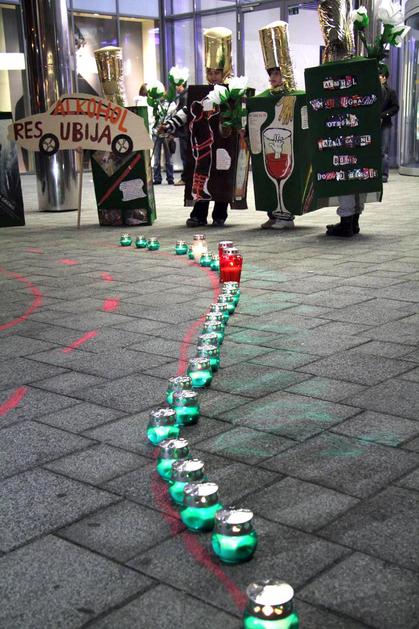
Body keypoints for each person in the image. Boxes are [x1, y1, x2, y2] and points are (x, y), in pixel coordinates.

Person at [162, 27, 233, 227]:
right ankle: (199, 214)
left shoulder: (232, 93)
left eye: (217, 73)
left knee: (221, 175)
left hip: (224, 144)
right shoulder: (200, 93)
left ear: (225, 72)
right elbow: (186, 112)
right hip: (202, 145)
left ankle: (220, 214)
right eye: (209, 72)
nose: (212, 76)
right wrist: (169, 125)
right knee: (201, 175)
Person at [379, 64, 399, 183]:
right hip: (373, 123)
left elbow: (395, 107)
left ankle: (384, 174)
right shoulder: (372, 91)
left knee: (384, 150)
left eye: (381, 76)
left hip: (385, 124)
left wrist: (384, 115)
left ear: (385, 78)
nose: (379, 78)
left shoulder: (391, 92)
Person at [173, 82, 188, 186]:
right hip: (184, 131)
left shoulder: (184, 96)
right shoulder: (183, 95)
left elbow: (183, 114)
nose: (176, 87)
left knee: (185, 156)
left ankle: (185, 178)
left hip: (184, 131)